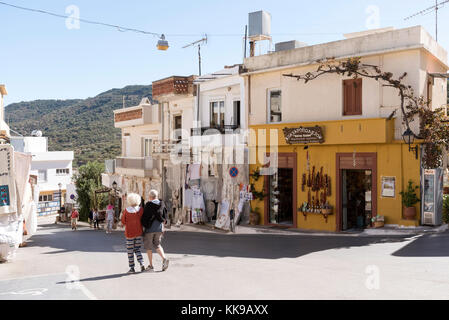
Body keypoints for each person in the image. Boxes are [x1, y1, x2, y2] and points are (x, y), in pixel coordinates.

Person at [141, 189, 169, 272]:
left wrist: (143, 226)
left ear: (150, 197)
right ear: (157, 196)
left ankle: (151, 265)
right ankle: (164, 258)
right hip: (159, 228)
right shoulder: (162, 204)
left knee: (148, 247)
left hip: (150, 228)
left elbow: (144, 217)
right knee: (157, 244)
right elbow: (165, 217)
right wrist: (163, 227)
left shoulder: (148, 205)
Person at [120, 193, 145, 274]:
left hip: (129, 233)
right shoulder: (141, 210)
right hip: (139, 232)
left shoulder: (126, 211)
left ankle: (132, 268)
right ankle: (142, 263)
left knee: (130, 251)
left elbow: (123, 221)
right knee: (137, 249)